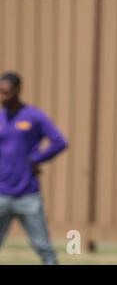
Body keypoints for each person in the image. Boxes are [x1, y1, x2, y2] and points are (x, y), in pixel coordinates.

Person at [0, 72, 68, 265]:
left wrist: (36, 159)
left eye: (6, 92)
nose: (2, 97)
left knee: (43, 246)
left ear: (17, 90)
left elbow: (59, 141)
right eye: (0, 92)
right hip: (1, 193)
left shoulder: (33, 116)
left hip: (28, 194)